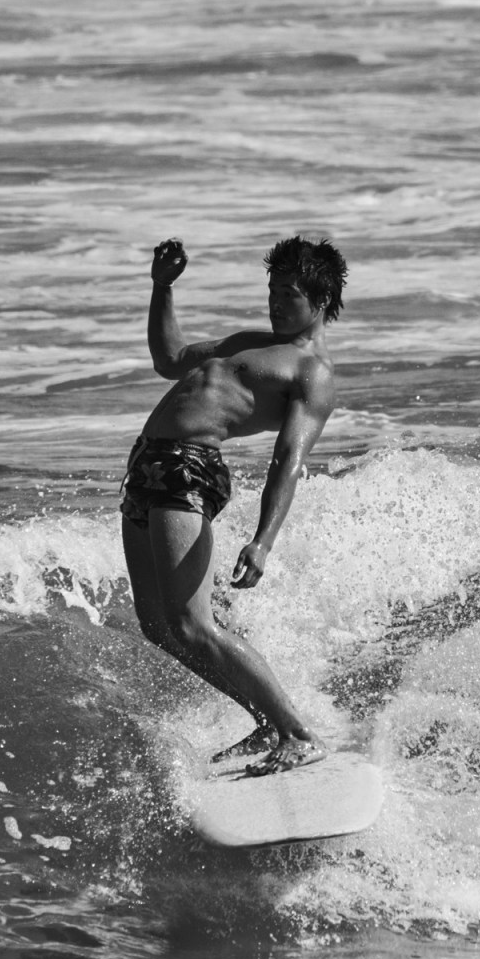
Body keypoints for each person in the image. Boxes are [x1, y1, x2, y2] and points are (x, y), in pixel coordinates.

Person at [120, 234, 346, 778]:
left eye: (288, 293)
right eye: (271, 289)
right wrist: (162, 287)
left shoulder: (311, 373)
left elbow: (288, 460)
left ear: (319, 300)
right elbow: (169, 359)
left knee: (192, 624)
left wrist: (264, 540)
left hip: (189, 468)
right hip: (148, 466)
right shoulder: (248, 342)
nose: (274, 301)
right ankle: (265, 722)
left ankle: (296, 731)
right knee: (157, 624)